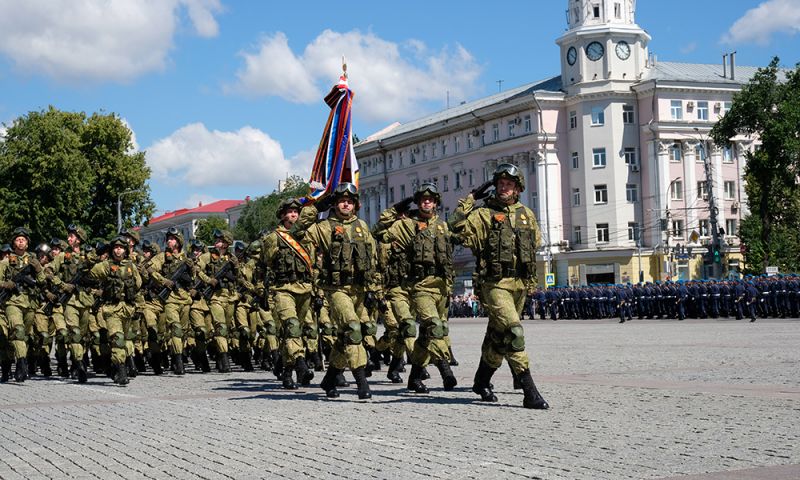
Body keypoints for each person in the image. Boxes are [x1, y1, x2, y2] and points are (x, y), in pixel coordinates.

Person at [450, 164, 549, 409]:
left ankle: (482, 380)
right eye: (500, 184)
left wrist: (531, 283)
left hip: (519, 284)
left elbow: (534, 244)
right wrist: (470, 201)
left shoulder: (526, 214)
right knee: (513, 332)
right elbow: (456, 227)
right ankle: (530, 391)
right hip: (494, 283)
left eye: (509, 184)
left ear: (517, 188)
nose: (504, 188)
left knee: (498, 338)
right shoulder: (484, 214)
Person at [297, 183, 378, 399]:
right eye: (342, 200)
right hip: (336, 289)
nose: (346, 204)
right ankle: (362, 383)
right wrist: (315, 207)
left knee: (344, 338)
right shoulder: (324, 227)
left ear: (356, 205)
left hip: (359, 289)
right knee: (353, 329)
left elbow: (373, 260)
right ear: (335, 204)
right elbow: (297, 231)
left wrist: (374, 289)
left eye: (350, 201)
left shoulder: (362, 226)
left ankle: (330, 378)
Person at [380, 183, 457, 393]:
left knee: (427, 334)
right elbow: (379, 229)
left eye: (430, 199)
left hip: (439, 287)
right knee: (419, 328)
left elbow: (448, 258)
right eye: (422, 199)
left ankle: (413, 376)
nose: (426, 202)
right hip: (410, 287)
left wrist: (448, 287)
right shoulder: (406, 226)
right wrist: (399, 207)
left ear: (436, 202)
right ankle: (445, 370)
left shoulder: (442, 226)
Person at [261, 198, 315, 389]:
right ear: (283, 215)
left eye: (297, 212)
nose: (294, 214)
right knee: (292, 327)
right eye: (290, 212)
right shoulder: (273, 238)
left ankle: (285, 372)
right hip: (283, 289)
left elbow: (314, 265)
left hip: (304, 288)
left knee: (293, 334)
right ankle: (301, 364)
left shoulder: (307, 236)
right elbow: (267, 262)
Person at [88, 236, 142, 385]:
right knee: (117, 339)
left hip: (127, 309)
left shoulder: (131, 265)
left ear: (125, 250)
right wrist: (96, 253)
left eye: (121, 248)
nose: (118, 250)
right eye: (116, 248)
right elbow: (90, 272)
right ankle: (122, 371)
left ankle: (114, 366)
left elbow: (138, 284)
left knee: (123, 341)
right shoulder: (105, 265)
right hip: (112, 308)